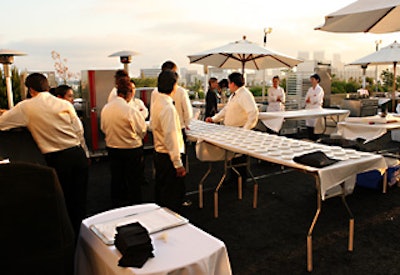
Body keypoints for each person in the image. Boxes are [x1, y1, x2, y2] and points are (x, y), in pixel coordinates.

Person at [0, 73, 89, 237]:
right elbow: (79, 130)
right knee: (80, 203)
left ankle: (70, 243)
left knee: (64, 203)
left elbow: (3, 123)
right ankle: (85, 242)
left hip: (58, 159)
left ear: (31, 89)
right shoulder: (64, 104)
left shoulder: (26, 107)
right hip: (77, 154)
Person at [205, 72, 259, 185]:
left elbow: (253, 113)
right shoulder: (234, 95)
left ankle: (240, 182)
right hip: (232, 130)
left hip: (239, 131)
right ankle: (233, 179)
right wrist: (214, 119)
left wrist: (245, 130)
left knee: (240, 159)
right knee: (232, 158)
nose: (228, 85)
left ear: (233, 83)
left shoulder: (245, 94)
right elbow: (226, 110)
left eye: (229, 83)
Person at [101, 77, 147, 208]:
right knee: (133, 180)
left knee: (116, 178)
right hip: (131, 149)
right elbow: (142, 130)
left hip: (112, 148)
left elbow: (103, 128)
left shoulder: (106, 108)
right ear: (129, 94)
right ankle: (135, 206)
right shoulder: (130, 110)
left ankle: (116, 205)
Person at [150, 70, 186, 213]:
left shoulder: (156, 103)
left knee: (161, 193)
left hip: (159, 153)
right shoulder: (168, 108)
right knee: (171, 197)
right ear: (173, 86)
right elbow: (171, 138)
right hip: (168, 157)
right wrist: (178, 164)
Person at [54, 84, 90, 159]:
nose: (72, 100)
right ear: (59, 97)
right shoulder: (69, 113)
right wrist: (86, 154)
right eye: (69, 96)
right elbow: (79, 134)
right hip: (73, 151)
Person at [305, 73, 324, 140]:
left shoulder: (319, 89)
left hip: (316, 108)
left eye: (313, 79)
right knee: (309, 124)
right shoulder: (310, 89)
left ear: (317, 80)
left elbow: (316, 99)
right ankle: (310, 137)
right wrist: (309, 99)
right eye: (311, 79)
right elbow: (306, 98)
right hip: (309, 108)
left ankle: (315, 138)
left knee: (315, 125)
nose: (311, 81)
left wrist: (311, 99)